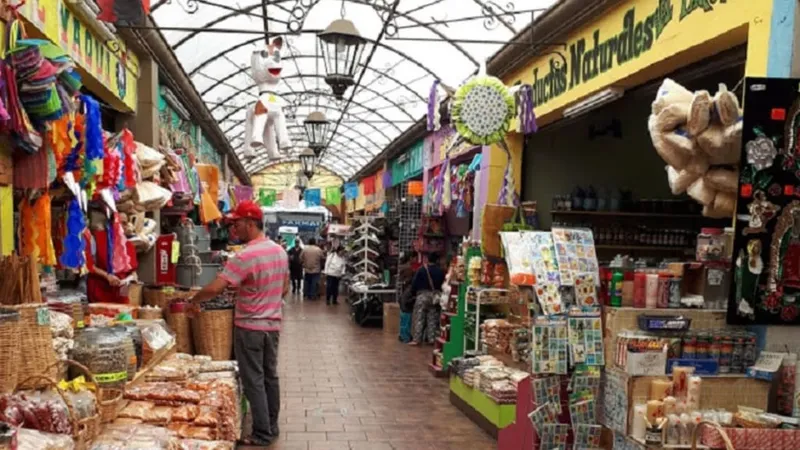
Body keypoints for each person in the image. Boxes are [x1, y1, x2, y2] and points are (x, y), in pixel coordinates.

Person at [189, 201, 289, 447]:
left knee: (253, 379)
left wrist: (193, 300)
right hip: (272, 327)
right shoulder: (279, 251)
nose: (234, 229)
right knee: (269, 377)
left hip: (249, 327)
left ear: (251, 223)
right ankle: (271, 426)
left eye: (237, 223)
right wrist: (263, 299)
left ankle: (262, 433)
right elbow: (284, 287)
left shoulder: (244, 255)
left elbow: (216, 287)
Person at [409, 253, 445, 346]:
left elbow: (414, 284)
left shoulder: (421, 270)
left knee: (419, 317)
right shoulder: (440, 271)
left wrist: (413, 294)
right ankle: (431, 338)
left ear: (428, 260)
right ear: (437, 260)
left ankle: (417, 339)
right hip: (434, 297)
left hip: (422, 295)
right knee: (432, 317)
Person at [397, 253, 417, 343]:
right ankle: (405, 337)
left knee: (404, 318)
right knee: (406, 319)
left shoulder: (403, 268)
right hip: (406, 300)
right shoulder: (409, 269)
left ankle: (403, 335)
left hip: (403, 298)